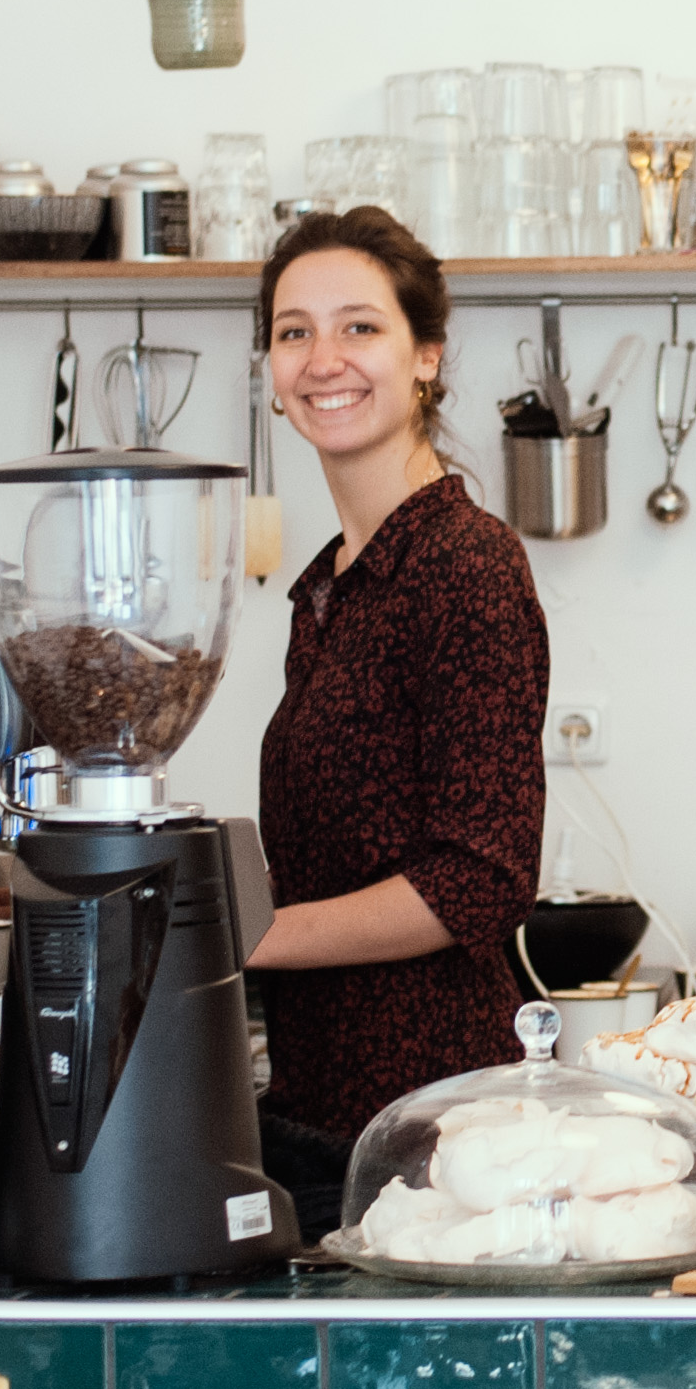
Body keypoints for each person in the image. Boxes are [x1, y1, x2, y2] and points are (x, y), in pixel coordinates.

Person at [244, 207, 549, 1235]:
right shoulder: (330, 587)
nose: (322, 359)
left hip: (432, 1137)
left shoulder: (462, 564)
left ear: (425, 356)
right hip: (319, 1120)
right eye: (293, 332)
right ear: (270, 369)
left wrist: (243, 937)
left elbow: (481, 875)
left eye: (358, 327)